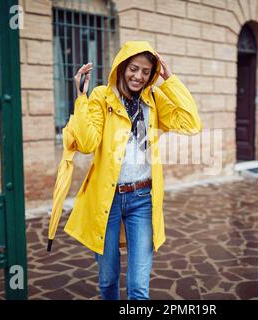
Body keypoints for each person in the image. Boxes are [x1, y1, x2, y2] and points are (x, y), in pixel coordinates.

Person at [56, 41, 202, 300]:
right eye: (134, 69)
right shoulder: (103, 96)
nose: (139, 76)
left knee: (139, 287)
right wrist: (81, 99)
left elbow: (191, 123)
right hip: (107, 199)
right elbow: (87, 143)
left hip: (143, 199)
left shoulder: (154, 99)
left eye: (146, 72)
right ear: (122, 67)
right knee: (108, 278)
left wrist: (170, 81)